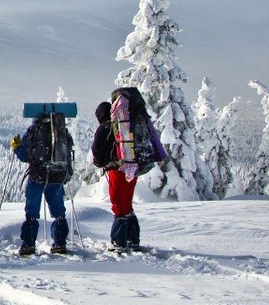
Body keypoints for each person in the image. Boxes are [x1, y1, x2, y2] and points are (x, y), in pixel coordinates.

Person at [91, 99, 167, 250]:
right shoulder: (126, 124)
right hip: (133, 169)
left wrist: (101, 163)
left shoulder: (105, 128)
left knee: (119, 205)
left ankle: (119, 241)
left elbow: (97, 152)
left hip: (117, 170)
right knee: (126, 204)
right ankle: (133, 239)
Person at [11, 112, 75, 256]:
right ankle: (60, 243)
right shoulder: (61, 132)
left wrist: (16, 146)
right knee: (59, 212)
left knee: (32, 212)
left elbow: (24, 155)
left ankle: (28, 244)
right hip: (56, 176)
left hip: (37, 175)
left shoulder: (33, 131)